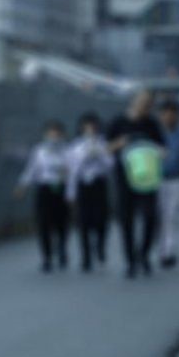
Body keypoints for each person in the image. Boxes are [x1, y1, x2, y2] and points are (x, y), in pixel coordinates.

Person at [107, 90, 165, 278]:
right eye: (142, 102)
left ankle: (144, 254)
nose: (145, 106)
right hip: (124, 177)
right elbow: (106, 148)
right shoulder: (118, 122)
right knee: (126, 220)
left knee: (150, 217)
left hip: (148, 177)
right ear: (133, 102)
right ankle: (130, 261)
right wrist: (121, 143)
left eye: (149, 104)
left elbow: (163, 148)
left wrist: (157, 151)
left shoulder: (152, 124)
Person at [16, 120, 71, 272]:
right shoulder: (39, 151)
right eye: (51, 133)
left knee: (61, 223)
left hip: (61, 189)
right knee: (44, 223)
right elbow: (31, 170)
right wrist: (22, 185)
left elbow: (72, 170)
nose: (54, 136)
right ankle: (47, 257)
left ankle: (62, 249)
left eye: (57, 133)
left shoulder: (67, 151)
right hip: (44, 189)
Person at [67, 112, 113, 272]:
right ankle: (86, 257)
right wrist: (71, 194)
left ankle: (100, 248)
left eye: (93, 127)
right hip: (83, 186)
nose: (90, 130)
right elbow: (73, 171)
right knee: (83, 222)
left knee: (101, 220)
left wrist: (99, 154)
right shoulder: (75, 146)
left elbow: (110, 167)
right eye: (87, 127)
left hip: (98, 185)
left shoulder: (104, 144)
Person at [156, 99, 179, 268]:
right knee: (161, 217)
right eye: (166, 113)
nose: (169, 117)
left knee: (173, 217)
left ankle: (170, 251)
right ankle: (163, 250)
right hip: (158, 180)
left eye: (173, 113)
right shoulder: (155, 132)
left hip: (177, 179)